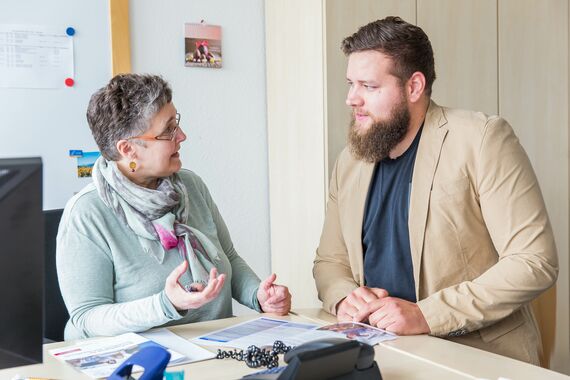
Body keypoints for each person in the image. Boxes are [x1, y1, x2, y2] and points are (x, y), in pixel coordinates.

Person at [313, 16, 558, 364]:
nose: (352, 99)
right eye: (350, 84)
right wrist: (344, 297)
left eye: (368, 86)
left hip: (477, 355)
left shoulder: (482, 139)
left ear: (414, 87)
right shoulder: (350, 160)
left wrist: (427, 315)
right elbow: (330, 261)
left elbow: (534, 261)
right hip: (381, 351)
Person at [57, 74, 291, 340]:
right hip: (138, 362)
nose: (181, 135)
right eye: (168, 130)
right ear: (128, 149)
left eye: (176, 122)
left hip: (215, 349)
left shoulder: (191, 186)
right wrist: (165, 305)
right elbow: (88, 317)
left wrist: (258, 295)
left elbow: (228, 257)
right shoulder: (87, 213)